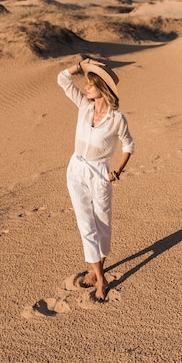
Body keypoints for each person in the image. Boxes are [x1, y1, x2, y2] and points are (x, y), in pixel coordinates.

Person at [57, 56, 134, 301]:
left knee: (103, 225)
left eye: (91, 84)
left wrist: (116, 172)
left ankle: (97, 267)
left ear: (102, 89)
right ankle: (100, 279)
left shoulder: (116, 119)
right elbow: (62, 78)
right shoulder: (83, 106)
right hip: (76, 170)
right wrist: (80, 66)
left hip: (100, 173)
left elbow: (129, 145)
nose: (86, 88)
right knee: (86, 226)